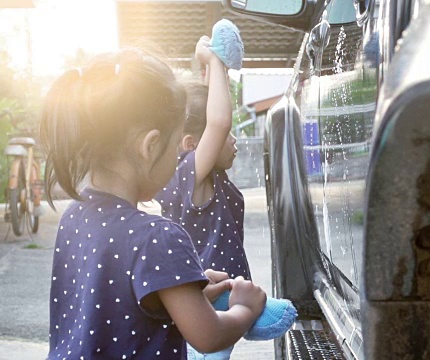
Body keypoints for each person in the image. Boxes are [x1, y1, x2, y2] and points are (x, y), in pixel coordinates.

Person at [40, 39, 266, 359]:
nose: (178, 160)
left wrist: (188, 287)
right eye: (176, 148)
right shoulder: (157, 237)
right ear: (150, 146)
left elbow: (113, 295)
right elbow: (209, 335)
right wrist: (245, 309)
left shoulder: (74, 216)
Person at [154, 34, 251, 360]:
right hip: (203, 313)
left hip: (214, 308)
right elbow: (218, 121)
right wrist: (213, 61)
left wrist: (212, 71)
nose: (232, 137)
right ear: (190, 145)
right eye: (225, 135)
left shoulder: (207, 177)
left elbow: (213, 116)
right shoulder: (185, 177)